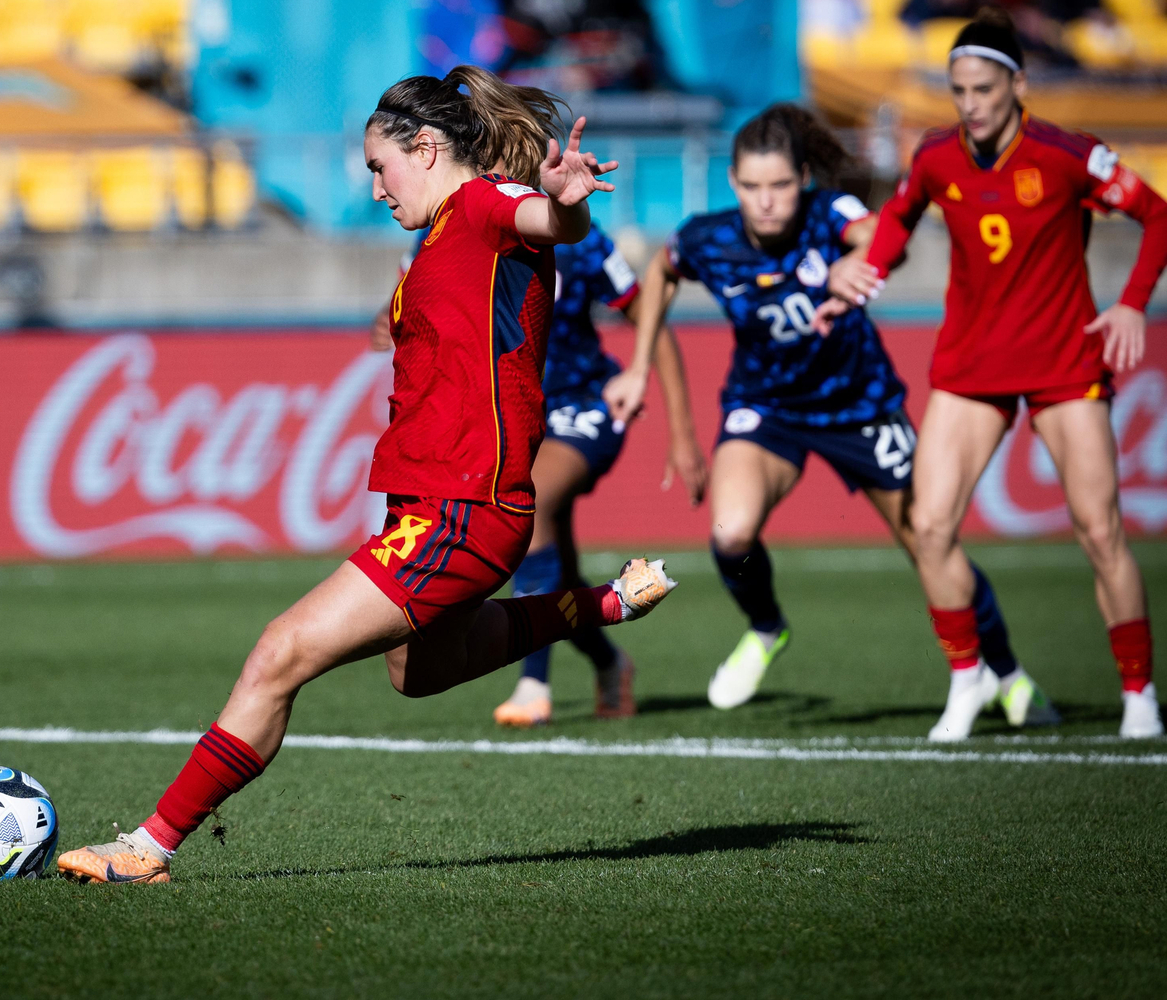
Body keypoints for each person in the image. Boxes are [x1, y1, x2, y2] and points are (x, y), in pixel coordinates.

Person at [55, 67, 678, 885]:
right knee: (415, 671)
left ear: (426, 147)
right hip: (434, 505)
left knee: (280, 652)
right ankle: (598, 604)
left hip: (464, 505)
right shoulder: (443, 235)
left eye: (380, 169)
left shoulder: (488, 205)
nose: (377, 189)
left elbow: (548, 218)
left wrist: (566, 199)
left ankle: (150, 845)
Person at [614, 103, 1056, 735]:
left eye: (781, 186)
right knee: (730, 533)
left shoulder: (829, 216)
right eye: (752, 187)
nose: (767, 202)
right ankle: (766, 629)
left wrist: (865, 261)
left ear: (804, 181)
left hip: (860, 406)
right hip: (765, 409)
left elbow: (884, 236)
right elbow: (661, 272)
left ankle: (1006, 673)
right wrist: (637, 365)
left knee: (929, 543)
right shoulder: (707, 237)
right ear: (733, 184)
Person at [818, 8, 1167, 740]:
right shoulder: (937, 156)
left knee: (1099, 532)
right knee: (931, 525)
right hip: (970, 366)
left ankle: (1138, 696)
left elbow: (1157, 215)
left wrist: (1132, 304)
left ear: (1018, 83)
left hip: (1064, 365)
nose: (969, 105)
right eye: (958, 91)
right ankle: (969, 678)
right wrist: (863, 268)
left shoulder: (1069, 154)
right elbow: (899, 219)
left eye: (982, 89)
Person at [373, 221, 703, 727]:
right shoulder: (444, 230)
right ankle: (610, 661)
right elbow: (401, 305)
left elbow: (650, 320)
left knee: (535, 499)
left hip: (584, 405)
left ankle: (534, 685)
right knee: (556, 568)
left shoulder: (580, 240)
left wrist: (682, 435)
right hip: (510, 418)